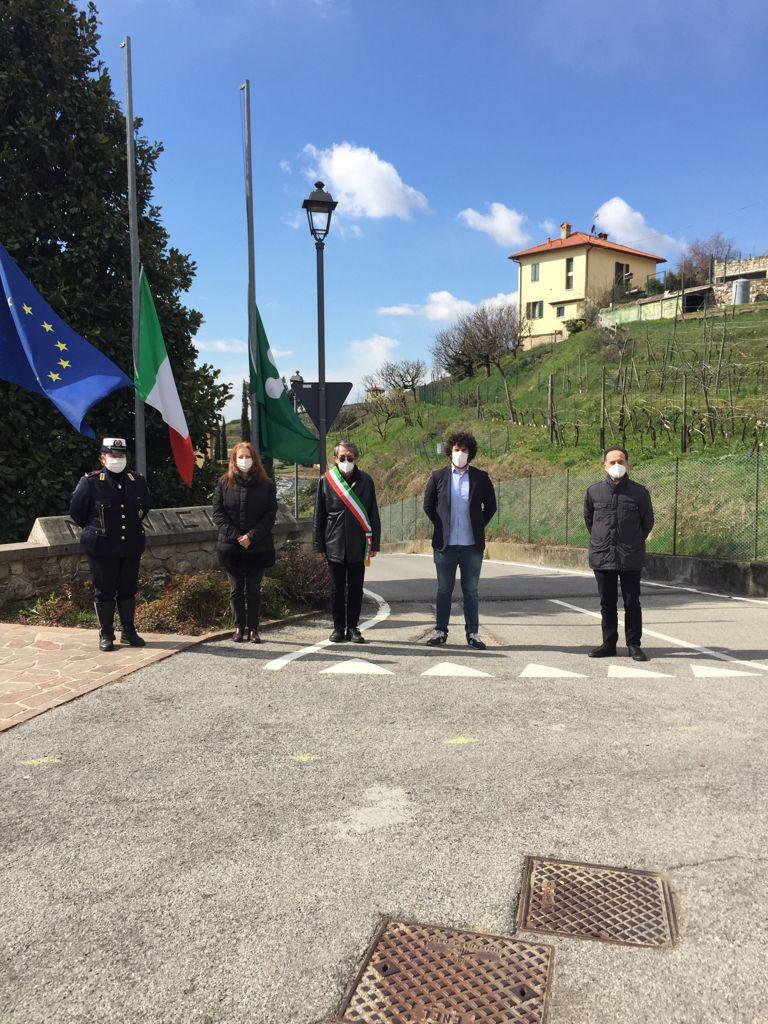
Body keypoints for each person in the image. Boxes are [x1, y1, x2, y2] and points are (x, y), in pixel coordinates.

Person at [69, 437, 151, 652]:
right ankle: (106, 633)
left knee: (128, 589)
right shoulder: (90, 481)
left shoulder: (137, 480)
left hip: (130, 544)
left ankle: (128, 631)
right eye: (112, 455)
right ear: (102, 458)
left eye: (121, 455)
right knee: (104, 590)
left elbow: (144, 508)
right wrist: (96, 528)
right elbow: (77, 512)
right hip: (102, 546)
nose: (117, 459)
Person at [423, 431, 497, 650]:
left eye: (464, 450)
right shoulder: (438, 477)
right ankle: (440, 631)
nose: (460, 453)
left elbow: (491, 507)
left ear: (470, 453)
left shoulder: (480, 478)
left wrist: (477, 525)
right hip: (445, 546)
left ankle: (472, 634)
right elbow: (428, 506)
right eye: (457, 449)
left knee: (471, 591)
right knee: (444, 589)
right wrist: (442, 525)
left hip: (471, 546)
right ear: (450, 452)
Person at [584, 446, 654, 661]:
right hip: (603, 556)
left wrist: (632, 541)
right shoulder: (594, 492)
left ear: (627, 464)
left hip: (630, 557)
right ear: (604, 465)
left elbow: (647, 523)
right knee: (607, 603)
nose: (617, 466)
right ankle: (609, 644)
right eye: (612, 462)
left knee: (632, 603)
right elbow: (590, 521)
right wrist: (603, 540)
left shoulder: (639, 492)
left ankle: (634, 645)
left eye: (621, 461)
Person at [314, 440, 381, 643]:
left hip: (358, 544)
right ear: (335, 458)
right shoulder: (326, 481)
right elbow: (319, 516)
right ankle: (338, 628)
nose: (346, 461)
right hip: (333, 543)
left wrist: (375, 544)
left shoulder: (366, 481)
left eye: (349, 458)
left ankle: (353, 628)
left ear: (356, 458)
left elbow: (373, 513)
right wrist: (318, 545)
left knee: (355, 589)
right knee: (336, 590)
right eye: (342, 457)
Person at [212, 442, 277, 643]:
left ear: (254, 459)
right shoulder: (224, 483)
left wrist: (251, 537)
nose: (244, 460)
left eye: (247, 456)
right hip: (231, 547)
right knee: (236, 589)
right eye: (240, 457)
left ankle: (254, 628)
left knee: (254, 590)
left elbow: (270, 514)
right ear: (233, 460)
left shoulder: (266, 485)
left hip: (258, 546)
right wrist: (237, 537)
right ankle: (239, 627)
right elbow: (218, 513)